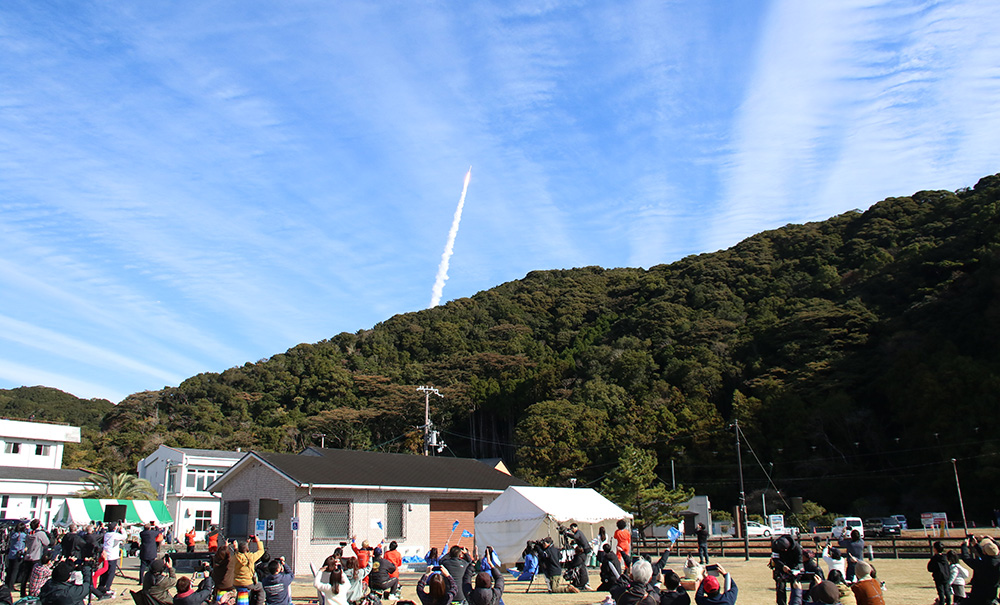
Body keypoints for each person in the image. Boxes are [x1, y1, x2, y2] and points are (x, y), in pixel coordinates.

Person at [961, 535, 1000, 605]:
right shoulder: (997, 562)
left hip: (978, 595)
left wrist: (964, 546)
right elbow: (988, 556)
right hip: (992, 594)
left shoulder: (981, 564)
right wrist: (976, 545)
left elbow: (966, 558)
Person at [20, 519, 50, 596]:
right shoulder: (40, 533)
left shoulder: (29, 533)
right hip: (36, 556)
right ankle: (31, 592)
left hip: (28, 556)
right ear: (38, 525)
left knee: (25, 576)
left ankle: (22, 591)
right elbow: (47, 542)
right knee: (34, 576)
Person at [770, 535, 802, 605]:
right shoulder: (775, 545)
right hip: (781, 567)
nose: (784, 551)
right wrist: (782, 566)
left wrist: (794, 569)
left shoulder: (797, 548)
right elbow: (775, 558)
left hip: (794, 568)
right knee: (780, 587)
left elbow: (800, 562)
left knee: (795, 586)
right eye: (782, 550)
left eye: (785, 549)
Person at [98, 521, 125, 598]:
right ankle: (108, 587)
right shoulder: (114, 535)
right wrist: (122, 529)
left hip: (106, 555)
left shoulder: (106, 534)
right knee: (111, 573)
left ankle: (101, 585)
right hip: (112, 556)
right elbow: (124, 536)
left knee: (104, 571)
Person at [4, 523, 26, 591]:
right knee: (15, 571)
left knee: (10, 570)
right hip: (18, 555)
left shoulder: (12, 534)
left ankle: (7, 584)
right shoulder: (22, 535)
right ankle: (11, 586)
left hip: (11, 553)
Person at [929, 540, 952, 605]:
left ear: (935, 549)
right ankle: (948, 603)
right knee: (947, 591)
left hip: (938, 577)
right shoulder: (945, 558)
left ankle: (941, 603)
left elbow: (930, 568)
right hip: (946, 577)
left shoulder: (935, 558)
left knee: (941, 592)